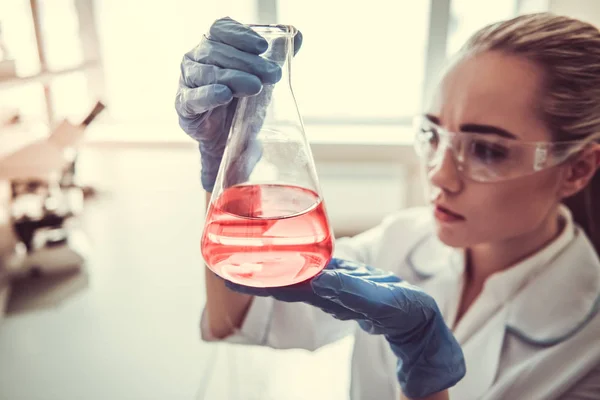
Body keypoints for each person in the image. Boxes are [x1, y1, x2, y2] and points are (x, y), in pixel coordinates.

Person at [175, 13, 600, 400]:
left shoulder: (590, 352)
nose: (439, 175)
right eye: (433, 135)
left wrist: (427, 382)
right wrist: (226, 167)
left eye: (487, 150)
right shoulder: (403, 239)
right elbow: (236, 319)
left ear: (578, 169)